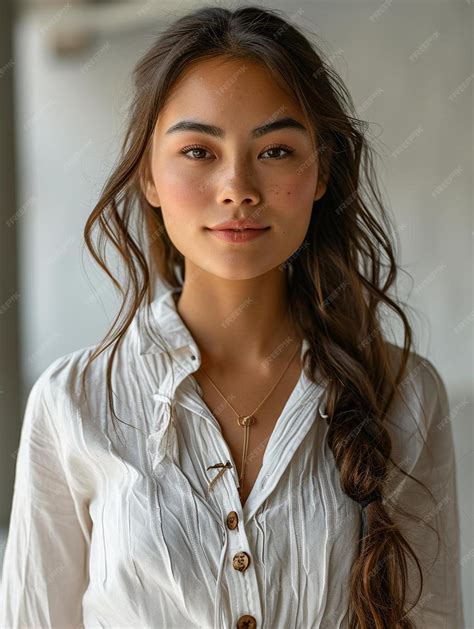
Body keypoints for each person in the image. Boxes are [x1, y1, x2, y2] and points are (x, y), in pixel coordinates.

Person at [0, 6, 464, 628]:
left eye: (275, 150)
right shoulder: (72, 404)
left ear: (321, 169)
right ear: (149, 175)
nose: (237, 186)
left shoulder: (405, 392)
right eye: (198, 150)